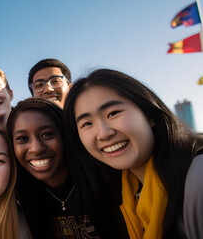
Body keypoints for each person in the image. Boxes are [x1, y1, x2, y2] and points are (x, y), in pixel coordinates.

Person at [63, 69, 203, 239]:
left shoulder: (197, 179)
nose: (103, 133)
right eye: (87, 123)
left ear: (149, 115)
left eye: (113, 113)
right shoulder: (126, 196)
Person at [6, 97, 125, 238]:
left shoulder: (106, 177)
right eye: (22, 138)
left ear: (64, 134)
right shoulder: (19, 196)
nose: (36, 148)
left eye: (47, 134)